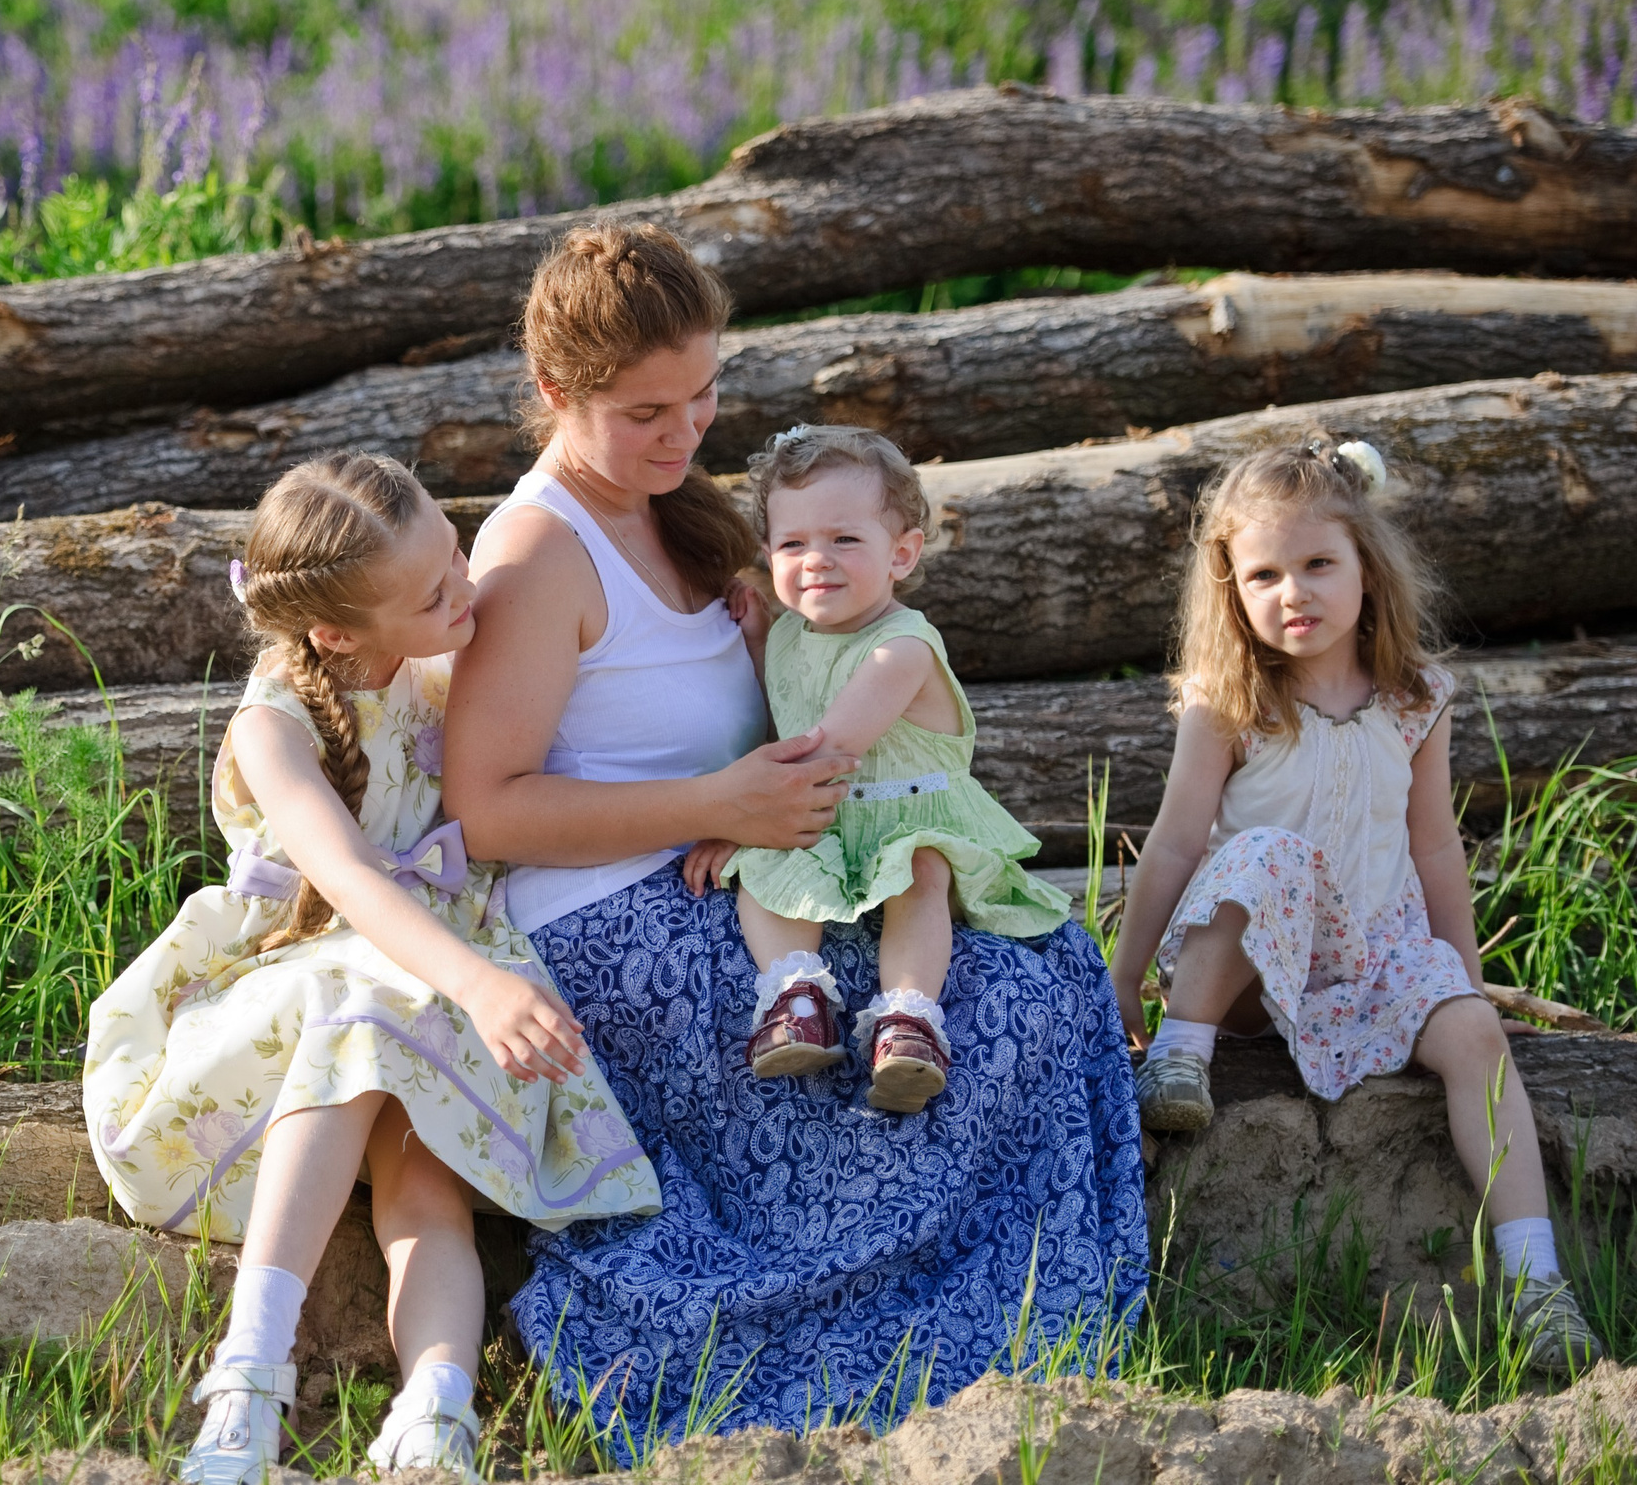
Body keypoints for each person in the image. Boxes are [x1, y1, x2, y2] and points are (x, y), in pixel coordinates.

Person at [443, 224, 1146, 1450]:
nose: (684, 432)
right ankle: (862, 1348)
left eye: (704, 394)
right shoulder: (538, 548)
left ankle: (995, 1322)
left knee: (1027, 969)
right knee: (964, 1018)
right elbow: (487, 810)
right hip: (609, 922)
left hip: (740, 864)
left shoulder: (675, 507)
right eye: (646, 411)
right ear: (556, 395)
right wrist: (714, 807)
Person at [83, 451, 660, 1485]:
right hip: (282, 986)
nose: (469, 591)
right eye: (436, 590)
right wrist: (480, 983)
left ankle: (436, 1406)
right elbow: (347, 882)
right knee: (359, 1003)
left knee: (423, 1170)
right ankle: (248, 1373)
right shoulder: (275, 722)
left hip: (420, 981)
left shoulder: (452, 656)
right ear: (337, 632)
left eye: (458, 555)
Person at [1109, 438, 1599, 1373]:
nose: (1294, 592)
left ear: (1367, 572)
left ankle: (1538, 1285)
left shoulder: (1417, 699)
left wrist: (1467, 978)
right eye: (1265, 574)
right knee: (1267, 857)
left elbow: (1433, 847)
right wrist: (1127, 977)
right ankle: (1180, 1060)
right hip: (1246, 971)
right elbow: (1175, 843)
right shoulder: (1230, 701)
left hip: (1374, 957)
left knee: (1474, 1043)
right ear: (1233, 592)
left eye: (1318, 565)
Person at [681, 424, 1072, 1105]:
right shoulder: (787, 638)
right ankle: (796, 995)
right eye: (793, 543)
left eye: (845, 540)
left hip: (909, 818)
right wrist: (753, 640)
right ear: (768, 551)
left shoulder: (903, 648)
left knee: (918, 872)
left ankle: (908, 1021)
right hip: (829, 819)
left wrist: (735, 818)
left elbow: (828, 747)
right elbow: (785, 718)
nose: (816, 560)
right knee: (767, 874)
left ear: (902, 553)